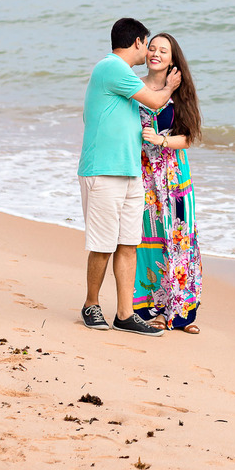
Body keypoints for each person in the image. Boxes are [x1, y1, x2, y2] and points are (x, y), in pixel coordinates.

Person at [78, 18, 181, 336]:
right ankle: (90, 304)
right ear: (136, 42)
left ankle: (124, 313)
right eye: (147, 43)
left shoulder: (122, 76)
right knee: (103, 244)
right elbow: (155, 100)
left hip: (129, 171)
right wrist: (171, 86)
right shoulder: (111, 68)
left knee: (127, 243)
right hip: (103, 171)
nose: (148, 49)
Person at [135, 32, 203, 333]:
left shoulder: (180, 92)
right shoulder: (134, 87)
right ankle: (154, 311)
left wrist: (161, 140)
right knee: (149, 241)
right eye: (152, 48)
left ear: (173, 59)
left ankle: (183, 314)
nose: (155, 54)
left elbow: (189, 137)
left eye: (163, 50)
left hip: (176, 179)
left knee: (181, 240)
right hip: (144, 177)